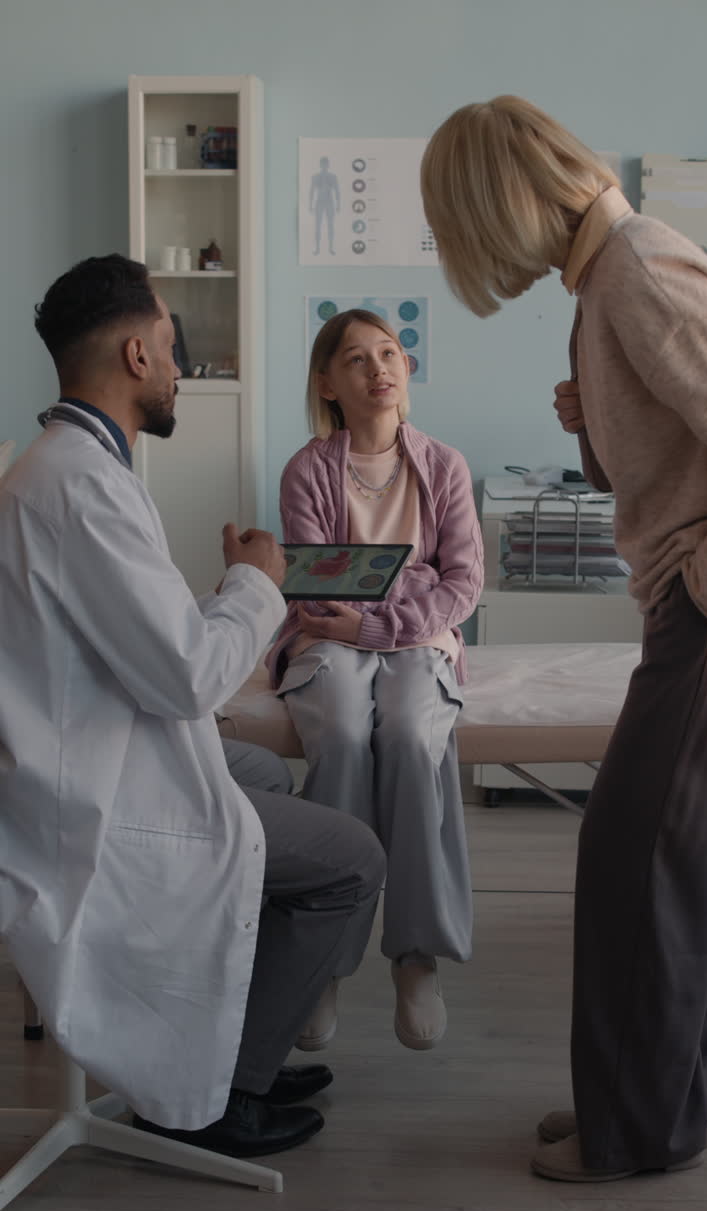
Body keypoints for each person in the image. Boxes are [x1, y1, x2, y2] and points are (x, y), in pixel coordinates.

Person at [0, 255, 385, 1161]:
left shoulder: (64, 467)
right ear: (137, 355)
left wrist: (232, 596)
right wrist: (257, 583)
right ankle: (220, 1095)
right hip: (89, 799)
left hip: (79, 751)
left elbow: (143, 642)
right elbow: (185, 679)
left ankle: (234, 1039)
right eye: (174, 348)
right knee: (351, 859)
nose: (180, 368)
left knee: (256, 769)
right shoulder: (82, 488)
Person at [421, 94, 707, 1183]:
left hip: (705, 607)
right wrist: (598, 417)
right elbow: (672, 442)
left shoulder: (635, 264)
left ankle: (634, 1131)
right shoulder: (606, 279)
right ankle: (654, 1106)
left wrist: (706, 576)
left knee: (638, 865)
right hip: (685, 601)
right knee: (667, 872)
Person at [267, 309, 484, 1051]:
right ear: (328, 383)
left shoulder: (445, 466)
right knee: (348, 731)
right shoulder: (308, 470)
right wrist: (398, 587)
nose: (379, 368)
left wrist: (375, 613)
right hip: (329, 639)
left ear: (406, 370)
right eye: (356, 359)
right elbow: (314, 587)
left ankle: (415, 954)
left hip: (409, 639)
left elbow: (463, 584)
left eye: (388, 353)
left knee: (416, 733)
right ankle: (323, 959)